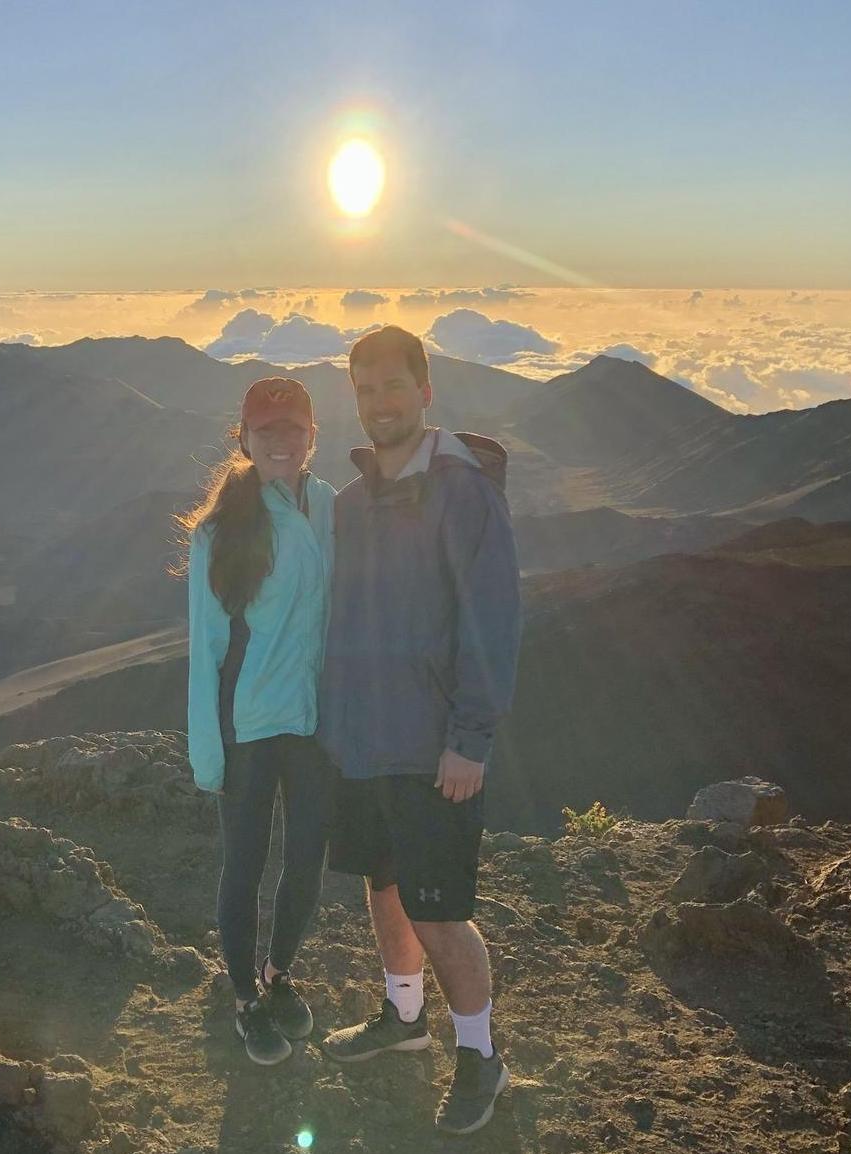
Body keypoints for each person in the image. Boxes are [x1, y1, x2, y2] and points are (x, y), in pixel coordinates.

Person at [317, 326, 521, 1134]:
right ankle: (403, 1020)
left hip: (437, 746)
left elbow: (493, 617)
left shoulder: (462, 490)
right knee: (385, 886)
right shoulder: (350, 501)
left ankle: (481, 1057)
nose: (379, 404)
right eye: (365, 391)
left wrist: (471, 736)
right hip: (364, 741)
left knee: (439, 909)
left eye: (393, 386)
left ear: (424, 391)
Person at [180, 376, 336, 1066]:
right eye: (266, 431)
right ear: (244, 440)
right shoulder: (221, 531)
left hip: (313, 718)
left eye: (293, 429)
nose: (281, 441)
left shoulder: (331, 506)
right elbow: (205, 648)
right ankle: (244, 995)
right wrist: (207, 755)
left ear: (312, 436)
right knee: (245, 863)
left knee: (307, 857)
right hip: (246, 722)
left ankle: (279, 974)